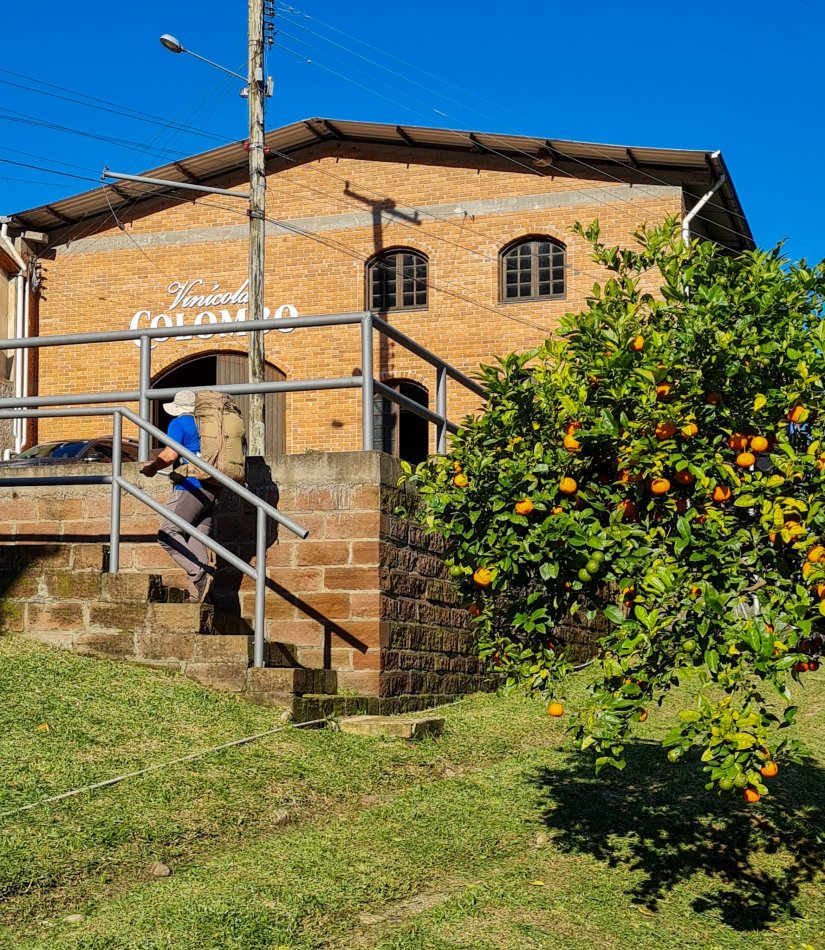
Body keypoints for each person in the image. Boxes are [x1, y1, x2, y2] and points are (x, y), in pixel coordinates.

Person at [140, 389, 219, 604]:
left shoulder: (179, 423)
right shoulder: (210, 425)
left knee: (167, 533)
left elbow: (170, 455)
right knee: (196, 537)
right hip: (212, 488)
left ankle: (200, 575)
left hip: (190, 486)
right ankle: (200, 594)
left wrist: (152, 468)